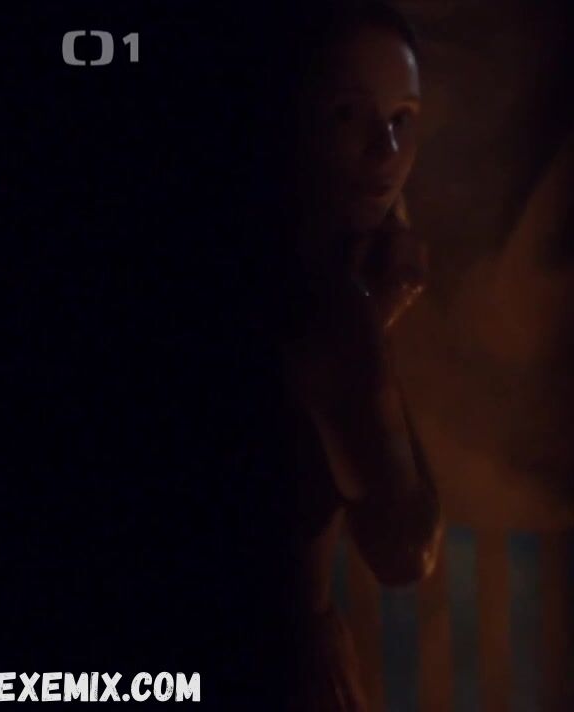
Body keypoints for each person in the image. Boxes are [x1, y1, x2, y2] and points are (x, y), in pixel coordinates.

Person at [206, 1, 444, 708]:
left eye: (402, 117)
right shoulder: (319, 297)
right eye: (347, 115)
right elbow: (404, 547)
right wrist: (366, 326)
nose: (386, 150)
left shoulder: (313, 264)